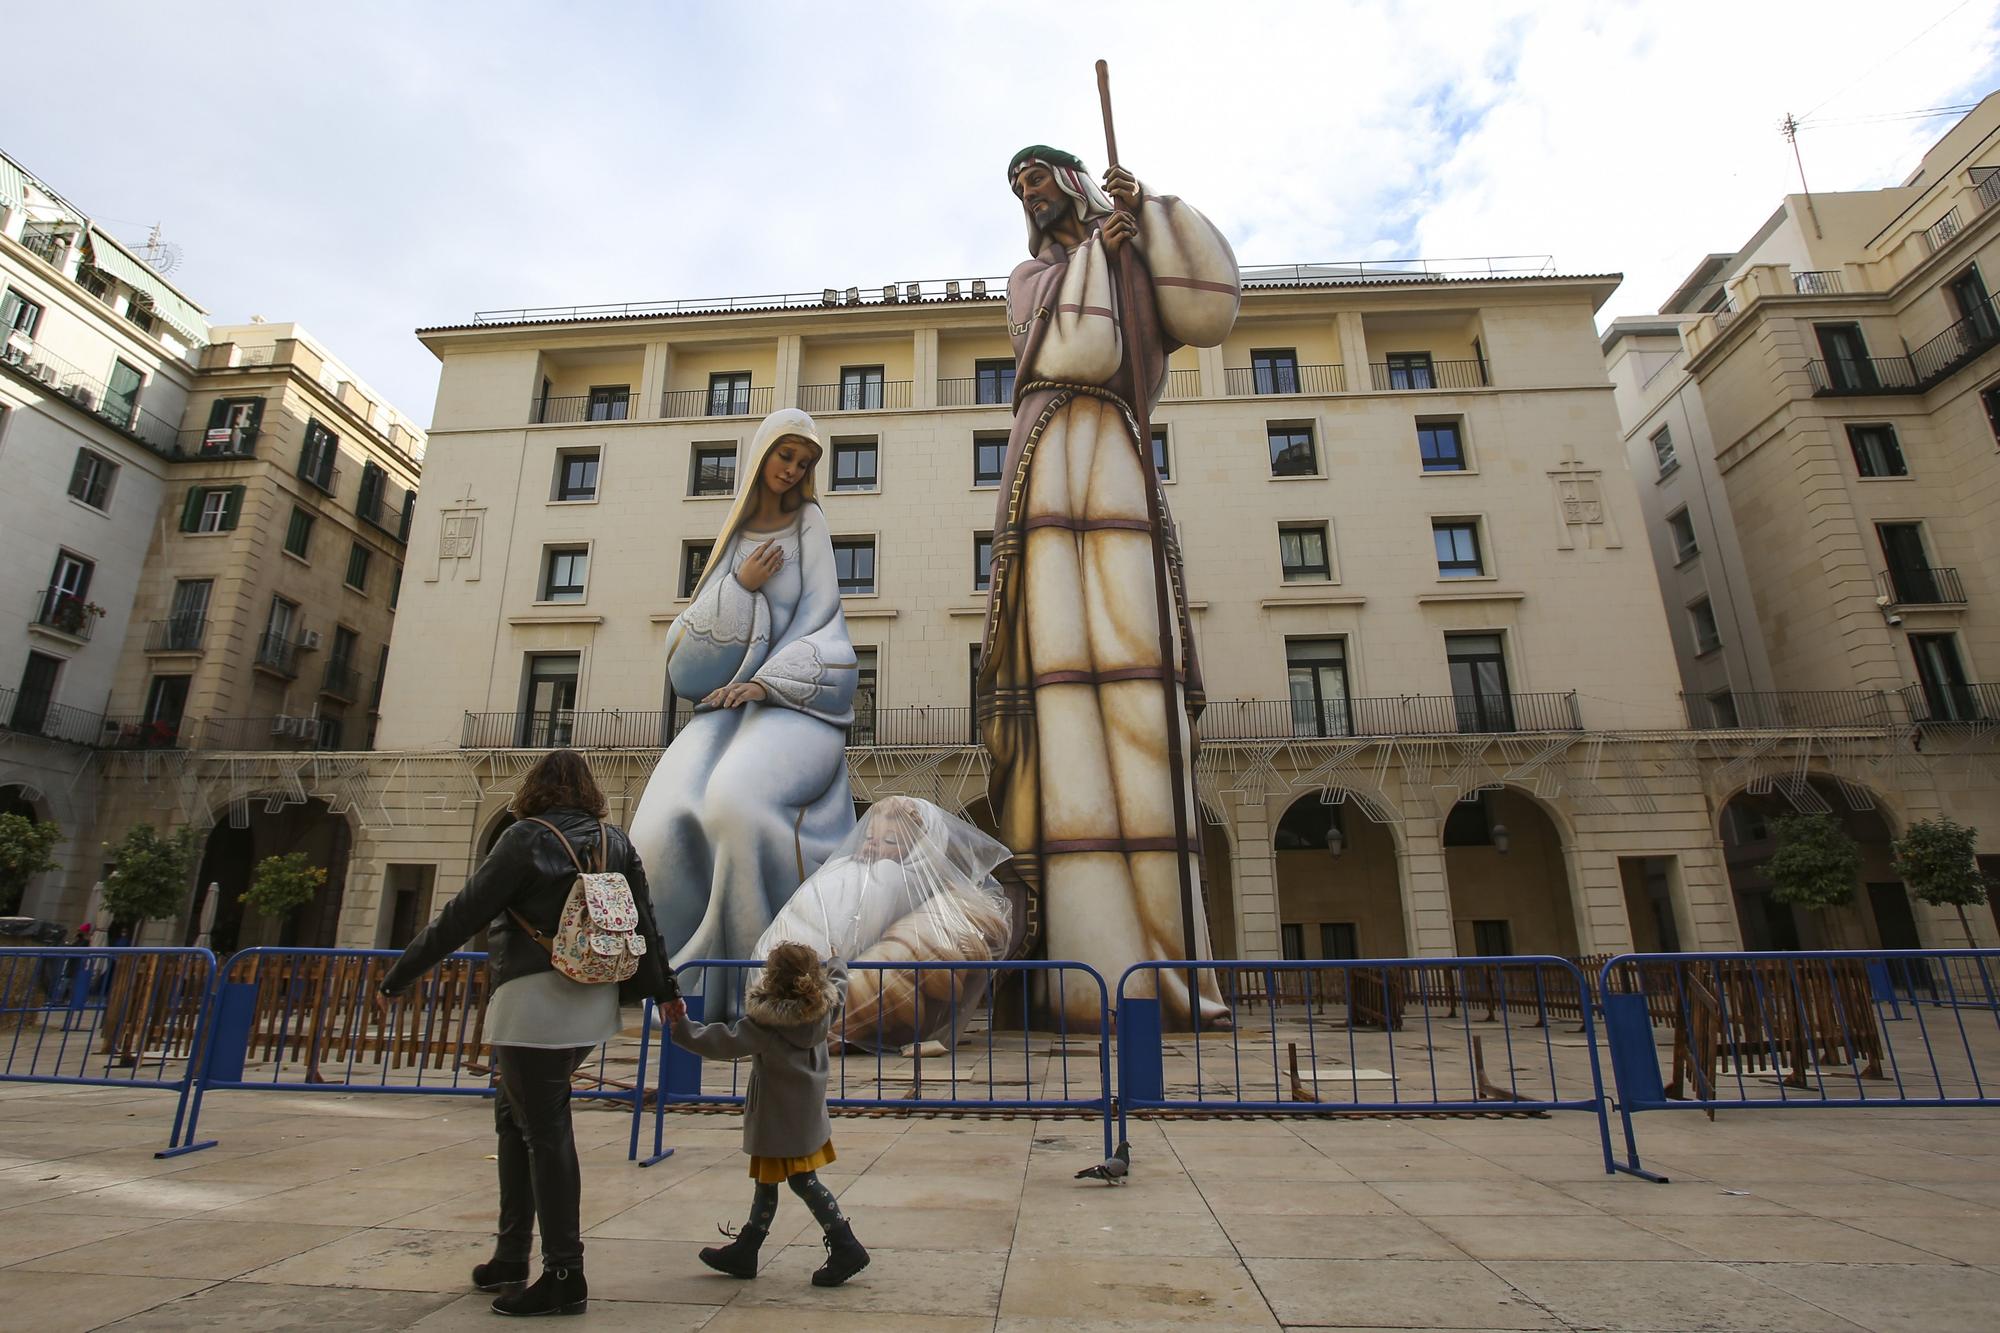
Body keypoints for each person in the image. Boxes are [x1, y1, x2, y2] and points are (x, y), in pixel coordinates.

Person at [976, 146, 1239, 1027]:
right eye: (1018, 186)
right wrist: (1102, 251)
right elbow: (1071, 344)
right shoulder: (1027, 277)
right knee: (1063, 686)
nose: (1030, 191)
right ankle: (1084, 972)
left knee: (1138, 670)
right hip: (1051, 453)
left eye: (1039, 175)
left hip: (1117, 453)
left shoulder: (1123, 250)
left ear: (1075, 180)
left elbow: (1206, 312)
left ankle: (1168, 963)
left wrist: (1151, 210)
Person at [376, 748, 676, 1318]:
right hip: (592, 997)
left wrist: (399, 975)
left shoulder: (522, 838)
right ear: (588, 790)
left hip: (535, 998)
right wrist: (667, 993)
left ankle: (565, 1273)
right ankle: (511, 1254)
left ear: (534, 787)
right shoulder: (616, 841)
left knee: (542, 1126)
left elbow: (462, 913)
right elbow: (646, 919)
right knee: (515, 1118)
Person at [628, 408, 859, 1011]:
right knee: (660, 821)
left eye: (804, 463)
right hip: (727, 708)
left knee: (737, 803)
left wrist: (767, 684)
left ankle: (770, 983)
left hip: (795, 701)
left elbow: (825, 625)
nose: (793, 470)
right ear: (762, 456)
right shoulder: (732, 542)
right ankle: (683, 984)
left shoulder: (810, 522)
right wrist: (741, 586)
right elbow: (684, 663)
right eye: (786, 456)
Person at [666, 942, 869, 1287]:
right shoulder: (823, 1009)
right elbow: (838, 984)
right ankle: (747, 1249)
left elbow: (723, 1041)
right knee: (770, 1180)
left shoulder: (766, 1023)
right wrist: (836, 960)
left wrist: (682, 1028)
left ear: (772, 978)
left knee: (802, 1181)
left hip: (776, 1115)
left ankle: (845, 1244)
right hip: (803, 1115)